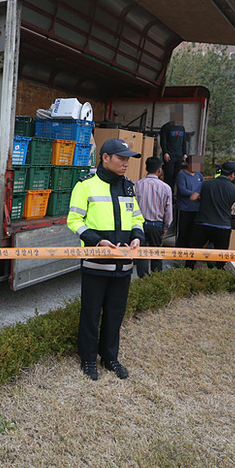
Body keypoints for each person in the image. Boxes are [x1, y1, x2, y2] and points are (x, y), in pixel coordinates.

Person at [67, 138, 145, 382]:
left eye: (128, 159)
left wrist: (137, 237)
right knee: (90, 314)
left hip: (123, 266)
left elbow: (137, 218)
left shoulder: (128, 187)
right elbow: (74, 221)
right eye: (121, 158)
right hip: (95, 264)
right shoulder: (85, 186)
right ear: (105, 157)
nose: (126, 163)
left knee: (115, 313)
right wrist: (97, 241)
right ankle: (88, 360)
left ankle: (110, 357)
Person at [184, 161, 235, 270]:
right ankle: (218, 275)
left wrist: (203, 199)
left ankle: (187, 272)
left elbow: (193, 198)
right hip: (222, 227)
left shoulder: (206, 183)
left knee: (193, 253)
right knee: (221, 256)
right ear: (232, 175)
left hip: (202, 224)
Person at [134, 156, 172, 277]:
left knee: (141, 253)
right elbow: (168, 212)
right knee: (156, 253)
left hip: (139, 225)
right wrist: (165, 228)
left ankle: (143, 278)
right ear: (159, 170)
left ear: (146, 168)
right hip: (156, 225)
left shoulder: (137, 185)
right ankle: (155, 279)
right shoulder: (166, 188)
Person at [175, 156, 203, 248]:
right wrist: (196, 194)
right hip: (185, 208)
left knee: (194, 233)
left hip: (197, 209)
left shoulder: (199, 175)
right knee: (183, 232)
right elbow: (182, 190)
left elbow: (204, 187)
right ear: (187, 164)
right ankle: (179, 253)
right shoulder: (181, 175)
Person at [159, 106, 188, 188]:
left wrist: (185, 153)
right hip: (170, 155)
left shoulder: (181, 128)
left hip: (179, 155)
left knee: (176, 175)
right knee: (169, 175)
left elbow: (184, 141)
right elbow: (163, 141)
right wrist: (165, 152)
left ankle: (171, 194)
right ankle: (166, 194)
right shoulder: (166, 127)